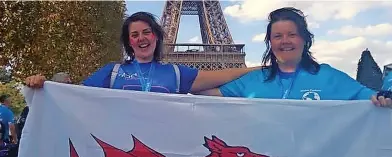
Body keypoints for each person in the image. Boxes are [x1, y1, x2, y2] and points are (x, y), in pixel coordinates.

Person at [199, 7, 392, 108]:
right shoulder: (252, 80)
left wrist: (385, 100)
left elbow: (369, 97)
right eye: (277, 36)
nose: (285, 41)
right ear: (270, 43)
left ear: (305, 39)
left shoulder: (330, 77)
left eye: (292, 35)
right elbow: (201, 96)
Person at [25, 12, 260, 94]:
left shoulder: (176, 73)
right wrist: (44, 86)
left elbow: (223, 76)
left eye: (146, 32)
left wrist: (260, 69)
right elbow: (72, 97)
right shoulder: (112, 72)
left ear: (156, 36)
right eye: (134, 35)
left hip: (164, 149)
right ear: (129, 42)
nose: (141, 38)